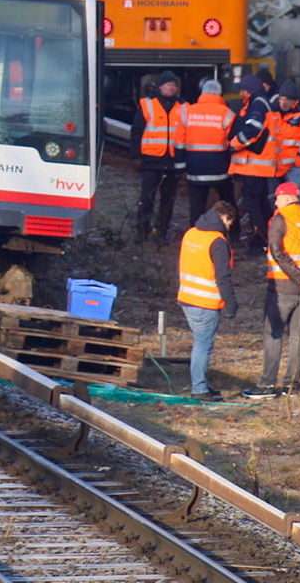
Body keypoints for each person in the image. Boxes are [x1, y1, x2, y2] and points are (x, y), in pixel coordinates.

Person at [243, 181, 300, 399]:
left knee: (273, 334)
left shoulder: (281, 218)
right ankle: (290, 385)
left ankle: (266, 385)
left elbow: (276, 251)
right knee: (298, 336)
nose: (276, 204)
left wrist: (297, 276)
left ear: (288, 198)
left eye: (278, 199)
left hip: (282, 285)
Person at [177, 200, 239, 401]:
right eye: (229, 223)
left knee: (200, 344)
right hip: (206, 303)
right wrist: (231, 304)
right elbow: (223, 277)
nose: (229, 227)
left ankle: (200, 383)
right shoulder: (218, 241)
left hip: (187, 298)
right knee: (203, 346)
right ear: (224, 217)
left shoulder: (191, 233)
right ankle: (199, 388)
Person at [129, 71, 186, 243]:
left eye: (174, 85)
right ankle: (142, 231)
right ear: (160, 86)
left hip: (172, 161)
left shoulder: (183, 107)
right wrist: (136, 156)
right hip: (151, 160)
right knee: (147, 198)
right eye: (168, 84)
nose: (171, 87)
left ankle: (162, 233)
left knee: (168, 201)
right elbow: (136, 132)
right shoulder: (147, 105)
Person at [228, 74, 276, 249]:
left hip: (254, 165)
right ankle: (269, 237)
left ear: (249, 90)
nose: (241, 94)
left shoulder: (257, 105)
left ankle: (261, 239)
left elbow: (253, 129)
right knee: (262, 201)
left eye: (242, 90)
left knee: (252, 202)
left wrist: (234, 144)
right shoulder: (262, 102)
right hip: (258, 165)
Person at [180, 77, 236, 223]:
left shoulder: (188, 112)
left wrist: (181, 166)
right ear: (219, 94)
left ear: (202, 93)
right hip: (220, 167)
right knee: (228, 202)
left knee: (196, 206)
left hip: (195, 167)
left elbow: (179, 140)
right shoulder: (227, 113)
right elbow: (234, 142)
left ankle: (196, 233)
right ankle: (235, 234)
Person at [268, 80, 300, 190]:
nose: (284, 103)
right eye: (282, 99)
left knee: (290, 198)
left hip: (293, 167)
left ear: (295, 101)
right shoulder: (271, 112)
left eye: (288, 100)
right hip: (273, 165)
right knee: (272, 198)